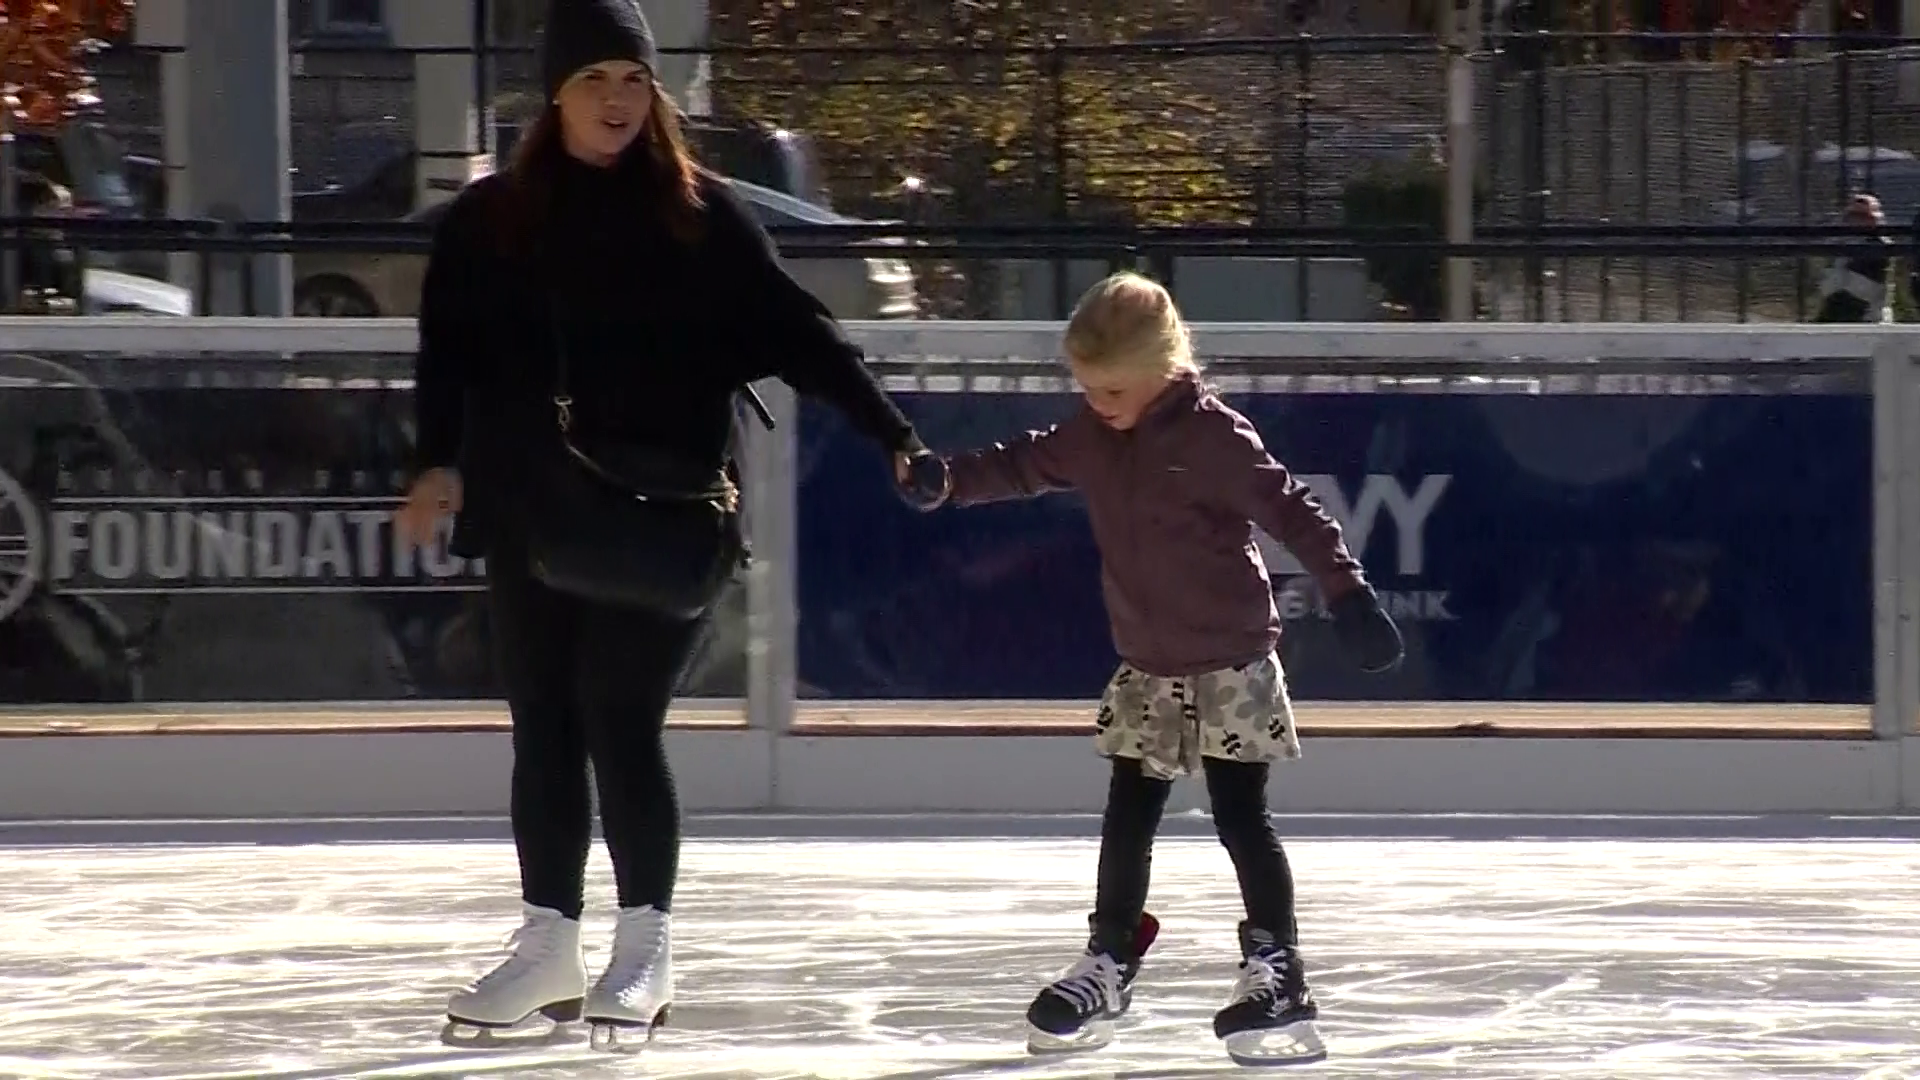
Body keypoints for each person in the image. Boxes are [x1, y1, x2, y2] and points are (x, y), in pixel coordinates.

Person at [395, 0, 933, 1048]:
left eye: (634, 81)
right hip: (529, 510)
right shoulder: (491, 220)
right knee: (543, 726)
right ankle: (548, 941)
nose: (617, 100)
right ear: (554, 92)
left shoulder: (700, 215)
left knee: (618, 718)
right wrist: (433, 464)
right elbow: (444, 354)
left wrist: (892, 431)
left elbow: (801, 335)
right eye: (596, 79)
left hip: (664, 516)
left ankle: (643, 947)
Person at [898, 272, 1404, 1064]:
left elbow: (1292, 511)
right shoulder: (1094, 436)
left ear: (1164, 367)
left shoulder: (1213, 437)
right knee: (1127, 814)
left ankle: (1278, 967)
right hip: (1147, 664)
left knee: (1243, 818)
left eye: (1110, 388)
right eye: (1086, 388)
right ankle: (1109, 959)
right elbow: (1025, 463)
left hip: (1231, 660)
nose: (1096, 403)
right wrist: (950, 480)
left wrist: (1349, 595)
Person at [1814, 193, 1892, 323]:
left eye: (1864, 217)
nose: (1858, 221)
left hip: (1865, 314)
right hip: (1835, 304)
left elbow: (1859, 293)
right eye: (1854, 216)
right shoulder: (1836, 243)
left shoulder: (1879, 245)